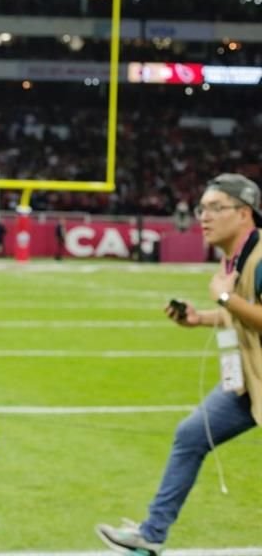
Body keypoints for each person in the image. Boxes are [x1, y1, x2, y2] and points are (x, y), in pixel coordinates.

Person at [96, 173, 262, 555]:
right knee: (191, 436)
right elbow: (246, 314)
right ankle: (151, 535)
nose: (203, 216)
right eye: (201, 208)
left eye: (215, 208)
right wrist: (201, 317)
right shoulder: (237, 259)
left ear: (243, 213)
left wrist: (224, 299)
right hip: (249, 384)